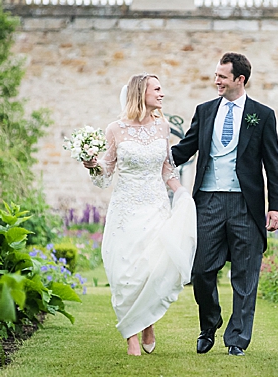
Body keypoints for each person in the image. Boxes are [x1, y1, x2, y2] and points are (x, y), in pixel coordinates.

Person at [171, 52, 278, 356]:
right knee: (202, 271)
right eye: (216, 75)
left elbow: (273, 164)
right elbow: (185, 149)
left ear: (240, 79)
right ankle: (210, 323)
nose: (216, 80)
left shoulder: (262, 114)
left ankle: (237, 339)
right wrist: (147, 156)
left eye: (222, 76)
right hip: (207, 201)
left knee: (245, 275)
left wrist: (276, 207)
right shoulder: (205, 111)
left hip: (245, 205)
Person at [83, 73, 197, 356]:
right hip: (126, 206)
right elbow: (107, 170)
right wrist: (92, 164)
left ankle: (148, 322)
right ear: (140, 93)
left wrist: (181, 191)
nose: (162, 94)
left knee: (154, 267)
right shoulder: (115, 129)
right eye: (157, 89)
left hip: (156, 205)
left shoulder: (163, 127)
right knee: (125, 271)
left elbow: (166, 168)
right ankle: (131, 334)